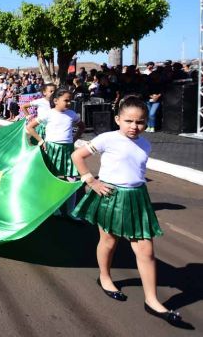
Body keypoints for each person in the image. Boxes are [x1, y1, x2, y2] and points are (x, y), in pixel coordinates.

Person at [71, 96, 186, 327]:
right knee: (109, 241)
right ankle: (104, 277)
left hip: (137, 197)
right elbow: (77, 156)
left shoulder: (145, 143)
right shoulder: (107, 138)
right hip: (110, 196)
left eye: (140, 122)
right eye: (129, 121)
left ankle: (152, 300)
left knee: (145, 249)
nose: (134, 126)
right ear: (117, 119)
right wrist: (91, 181)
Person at [26, 88, 84, 216]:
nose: (69, 103)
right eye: (66, 100)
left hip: (68, 150)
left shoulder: (72, 114)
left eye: (70, 100)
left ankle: (70, 211)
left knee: (71, 179)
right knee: (52, 178)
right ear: (56, 100)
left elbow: (82, 126)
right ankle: (54, 207)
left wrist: (74, 139)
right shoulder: (48, 114)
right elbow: (30, 127)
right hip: (52, 149)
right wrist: (41, 141)